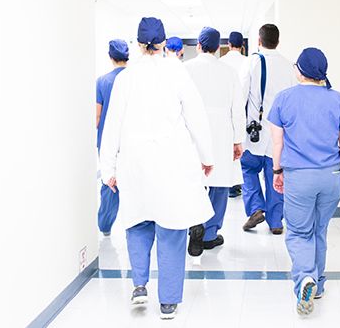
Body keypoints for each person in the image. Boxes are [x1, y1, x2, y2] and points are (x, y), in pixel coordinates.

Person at [100, 17, 215, 320]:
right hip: (171, 162)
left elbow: (112, 125)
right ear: (163, 43)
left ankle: (139, 286)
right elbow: (196, 117)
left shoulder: (126, 77)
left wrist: (108, 167)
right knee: (172, 229)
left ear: (138, 44)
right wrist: (207, 156)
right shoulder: (177, 72)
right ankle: (168, 302)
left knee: (137, 223)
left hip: (134, 163)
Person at [267, 48, 340, 316]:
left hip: (299, 178)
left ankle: (305, 278)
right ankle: (317, 284)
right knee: (319, 230)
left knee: (298, 232)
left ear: (300, 70)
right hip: (330, 177)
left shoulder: (284, 99)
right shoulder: (338, 100)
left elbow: (277, 142)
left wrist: (276, 171)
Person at [185, 27, 245, 256]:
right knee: (219, 184)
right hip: (222, 133)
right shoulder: (229, 72)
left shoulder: (186, 70)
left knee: (193, 181)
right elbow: (238, 110)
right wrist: (238, 140)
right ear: (218, 49)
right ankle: (209, 234)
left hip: (192, 132)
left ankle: (193, 224)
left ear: (199, 46)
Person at [240, 24, 297, 234]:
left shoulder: (253, 62)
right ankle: (275, 222)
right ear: (278, 42)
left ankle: (256, 208)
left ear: (259, 40)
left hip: (255, 132)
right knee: (276, 175)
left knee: (248, 169)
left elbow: (241, 95)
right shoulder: (288, 66)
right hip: (279, 135)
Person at [95, 39, 129, 236]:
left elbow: (97, 116)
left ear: (110, 57)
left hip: (108, 138)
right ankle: (137, 226)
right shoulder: (135, 79)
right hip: (130, 138)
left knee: (110, 181)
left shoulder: (102, 81)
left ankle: (105, 225)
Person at [220, 31, 247, 198]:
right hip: (241, 109)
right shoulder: (248, 61)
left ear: (229, 45)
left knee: (225, 147)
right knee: (241, 147)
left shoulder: (221, 63)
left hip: (224, 111)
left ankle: (229, 185)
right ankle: (238, 184)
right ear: (242, 47)